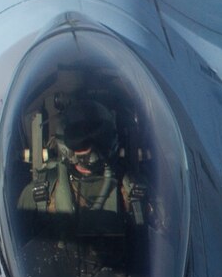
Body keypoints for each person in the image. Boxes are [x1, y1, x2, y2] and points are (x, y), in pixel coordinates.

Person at [24, 98, 145, 231]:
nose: (92, 148)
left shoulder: (133, 191)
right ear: (66, 146)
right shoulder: (41, 193)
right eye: (82, 140)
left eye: (100, 138)